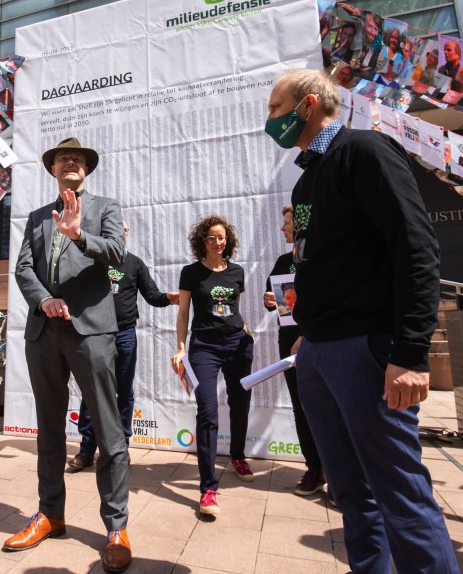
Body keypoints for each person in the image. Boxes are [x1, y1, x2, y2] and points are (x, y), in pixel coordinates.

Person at [263, 69, 459, 573]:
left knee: (399, 493)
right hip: (319, 352)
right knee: (350, 490)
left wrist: (410, 352)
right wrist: (308, 331)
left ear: (309, 105)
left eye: (276, 108)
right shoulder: (306, 181)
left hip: (366, 349)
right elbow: (319, 262)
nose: (270, 120)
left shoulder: (366, 151)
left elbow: (414, 247)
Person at [8, 137, 131, 572]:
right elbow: (23, 267)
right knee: (48, 430)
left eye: (77, 159)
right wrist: (42, 300)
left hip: (91, 330)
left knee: (108, 431)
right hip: (45, 331)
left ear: (86, 168)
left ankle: (117, 527)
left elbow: (117, 254)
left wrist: (78, 233)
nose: (70, 163)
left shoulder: (106, 207)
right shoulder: (38, 217)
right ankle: (50, 514)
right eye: (63, 158)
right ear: (54, 168)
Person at [68, 219, 179, 471]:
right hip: (96, 334)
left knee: (124, 393)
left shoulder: (135, 263)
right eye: (116, 230)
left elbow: (151, 295)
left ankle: (122, 447)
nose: (121, 233)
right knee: (92, 391)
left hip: (125, 334)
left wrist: (168, 299)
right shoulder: (92, 261)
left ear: (127, 235)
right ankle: (87, 448)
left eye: (125, 230)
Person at [170, 214, 255, 517]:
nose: (217, 242)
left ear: (227, 240)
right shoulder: (191, 273)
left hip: (236, 344)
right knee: (207, 411)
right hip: (204, 347)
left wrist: (245, 329)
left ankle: (238, 455)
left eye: (221, 237)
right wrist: (181, 348)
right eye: (211, 237)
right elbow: (182, 314)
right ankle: (208, 488)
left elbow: (235, 309)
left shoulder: (237, 272)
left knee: (240, 403)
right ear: (202, 241)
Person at [263, 205, 325, 497]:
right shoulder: (282, 261)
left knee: (330, 407)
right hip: (288, 342)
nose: (282, 228)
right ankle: (314, 469)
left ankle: (340, 473)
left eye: (286, 223)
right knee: (301, 408)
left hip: (318, 339)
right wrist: (269, 300)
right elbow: (272, 297)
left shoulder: (319, 256)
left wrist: (307, 334)